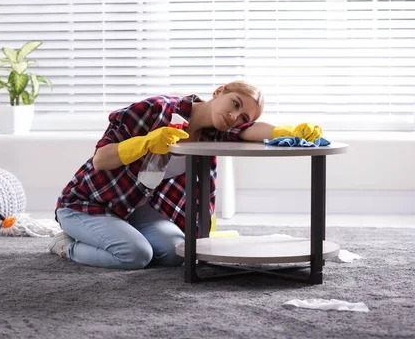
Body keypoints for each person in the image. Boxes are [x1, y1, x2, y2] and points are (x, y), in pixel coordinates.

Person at [48, 80, 323, 270]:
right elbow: (101, 159)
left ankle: (115, 235)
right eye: (235, 104)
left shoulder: (214, 134)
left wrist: (288, 131)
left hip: (134, 208)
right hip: (88, 204)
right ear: (219, 92)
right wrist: (144, 142)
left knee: (178, 252)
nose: (234, 116)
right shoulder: (156, 109)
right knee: (135, 255)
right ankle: (65, 245)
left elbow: (252, 132)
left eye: (242, 117)